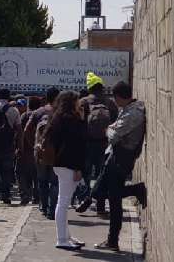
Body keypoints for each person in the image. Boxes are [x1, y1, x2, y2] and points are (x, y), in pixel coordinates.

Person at [77, 82, 147, 252]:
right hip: (115, 156)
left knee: (113, 199)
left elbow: (113, 134)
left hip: (122, 158)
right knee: (108, 194)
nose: (114, 103)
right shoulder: (129, 109)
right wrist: (111, 129)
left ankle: (113, 239)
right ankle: (112, 239)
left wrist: (109, 129)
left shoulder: (134, 113)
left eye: (115, 99)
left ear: (119, 97)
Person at [48, 91, 87, 250]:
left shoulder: (57, 118)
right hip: (69, 165)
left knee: (63, 201)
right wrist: (78, 168)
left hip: (60, 163)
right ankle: (62, 239)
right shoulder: (72, 120)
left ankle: (66, 236)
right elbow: (77, 146)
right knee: (63, 202)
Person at [79, 72, 119, 215]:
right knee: (102, 175)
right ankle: (101, 207)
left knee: (86, 173)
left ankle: (84, 199)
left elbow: (79, 123)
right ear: (101, 87)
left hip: (87, 144)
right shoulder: (109, 103)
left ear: (90, 88)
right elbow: (116, 122)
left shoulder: (83, 102)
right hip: (105, 144)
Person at [26, 87, 60, 218]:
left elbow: (26, 131)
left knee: (42, 181)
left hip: (40, 151)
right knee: (55, 182)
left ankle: (44, 207)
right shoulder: (61, 113)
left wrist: (34, 145)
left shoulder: (38, 112)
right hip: (56, 153)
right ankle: (52, 210)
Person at [17, 96, 42, 206]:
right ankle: (36, 197)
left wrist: (19, 148)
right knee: (36, 174)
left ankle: (25, 195)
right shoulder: (41, 115)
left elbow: (20, 133)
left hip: (25, 149)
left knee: (21, 173)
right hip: (38, 150)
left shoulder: (25, 115)